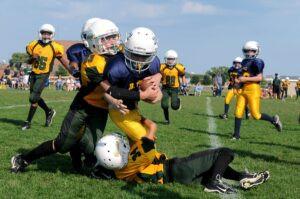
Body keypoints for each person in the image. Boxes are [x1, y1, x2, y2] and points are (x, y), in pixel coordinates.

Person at [11, 20, 158, 174]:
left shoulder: (123, 55)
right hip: (83, 105)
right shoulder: (93, 63)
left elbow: (145, 66)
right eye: (106, 38)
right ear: (93, 42)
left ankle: (80, 154)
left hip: (101, 110)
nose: (113, 42)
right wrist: (142, 94)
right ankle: (24, 158)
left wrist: (152, 82)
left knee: (91, 147)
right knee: (62, 144)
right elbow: (112, 91)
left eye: (114, 37)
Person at [95, 123, 270, 195]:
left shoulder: (119, 172)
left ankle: (242, 177)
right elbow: (151, 128)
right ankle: (214, 183)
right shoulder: (140, 154)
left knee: (212, 167)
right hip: (176, 167)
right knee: (225, 153)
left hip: (177, 178)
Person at [21, 23, 70, 130]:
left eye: (48, 34)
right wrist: (32, 58)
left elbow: (61, 59)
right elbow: (29, 61)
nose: (46, 36)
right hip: (33, 73)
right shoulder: (33, 44)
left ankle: (28, 122)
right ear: (40, 33)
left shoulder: (55, 46)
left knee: (33, 97)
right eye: (44, 33)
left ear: (52, 35)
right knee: (35, 98)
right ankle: (48, 112)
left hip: (44, 74)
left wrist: (70, 69)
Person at [232, 41, 282, 140]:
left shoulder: (257, 61)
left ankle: (274, 120)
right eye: (247, 50)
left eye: (252, 51)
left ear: (256, 51)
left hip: (253, 89)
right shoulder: (244, 62)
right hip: (244, 89)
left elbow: (259, 78)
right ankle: (236, 136)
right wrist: (238, 84)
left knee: (256, 115)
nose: (249, 53)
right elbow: (242, 76)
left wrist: (245, 79)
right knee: (238, 112)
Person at [160, 50, 186, 124]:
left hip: (174, 89)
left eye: (172, 59)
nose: (170, 61)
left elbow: (183, 75)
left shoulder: (179, 67)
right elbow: (158, 75)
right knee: (164, 105)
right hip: (165, 88)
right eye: (168, 59)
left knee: (174, 107)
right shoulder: (162, 67)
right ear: (165, 59)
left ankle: (178, 101)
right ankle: (166, 119)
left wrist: (184, 85)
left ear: (175, 59)